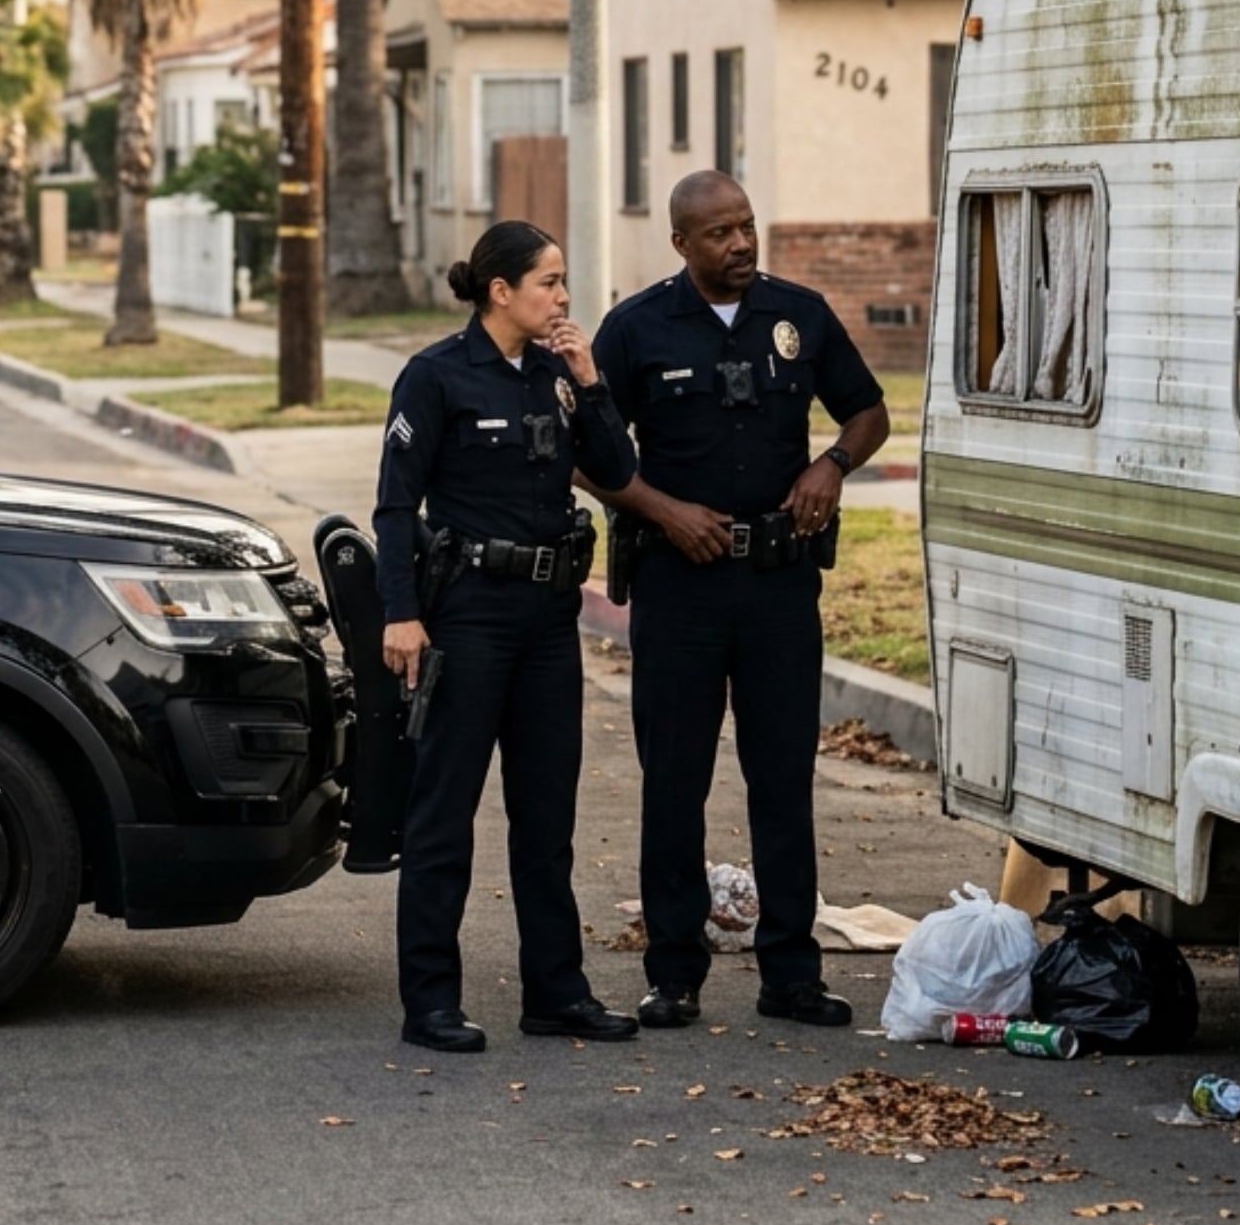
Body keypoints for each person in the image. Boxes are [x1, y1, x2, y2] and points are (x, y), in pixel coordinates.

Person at [588, 171, 891, 1030]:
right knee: (674, 782)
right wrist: (661, 511)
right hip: (679, 584)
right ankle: (674, 971)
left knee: (783, 779)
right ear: (682, 244)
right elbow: (586, 450)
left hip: (777, 583)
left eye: (748, 226)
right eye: (720, 233)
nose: (741, 245)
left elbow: (868, 413)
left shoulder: (797, 314)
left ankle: (790, 973)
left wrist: (832, 464)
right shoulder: (638, 328)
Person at [374, 220, 642, 1054]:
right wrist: (401, 612)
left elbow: (618, 469)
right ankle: (431, 1002)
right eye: (549, 283)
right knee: (443, 815)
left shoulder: (557, 378)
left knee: (546, 816)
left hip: (547, 622)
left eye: (563, 283)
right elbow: (393, 506)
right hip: (469, 617)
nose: (563, 298)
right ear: (501, 291)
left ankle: (555, 993)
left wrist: (591, 382)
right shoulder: (436, 377)